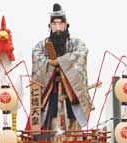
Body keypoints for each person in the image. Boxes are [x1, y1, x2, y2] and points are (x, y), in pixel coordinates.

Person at [31, 3, 91, 132]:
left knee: (72, 120)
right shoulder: (42, 45)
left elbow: (81, 53)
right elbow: (37, 56)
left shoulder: (76, 43)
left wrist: (60, 62)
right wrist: (48, 64)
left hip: (70, 91)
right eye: (54, 24)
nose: (57, 28)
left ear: (66, 25)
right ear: (50, 26)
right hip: (51, 91)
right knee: (50, 120)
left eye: (60, 24)